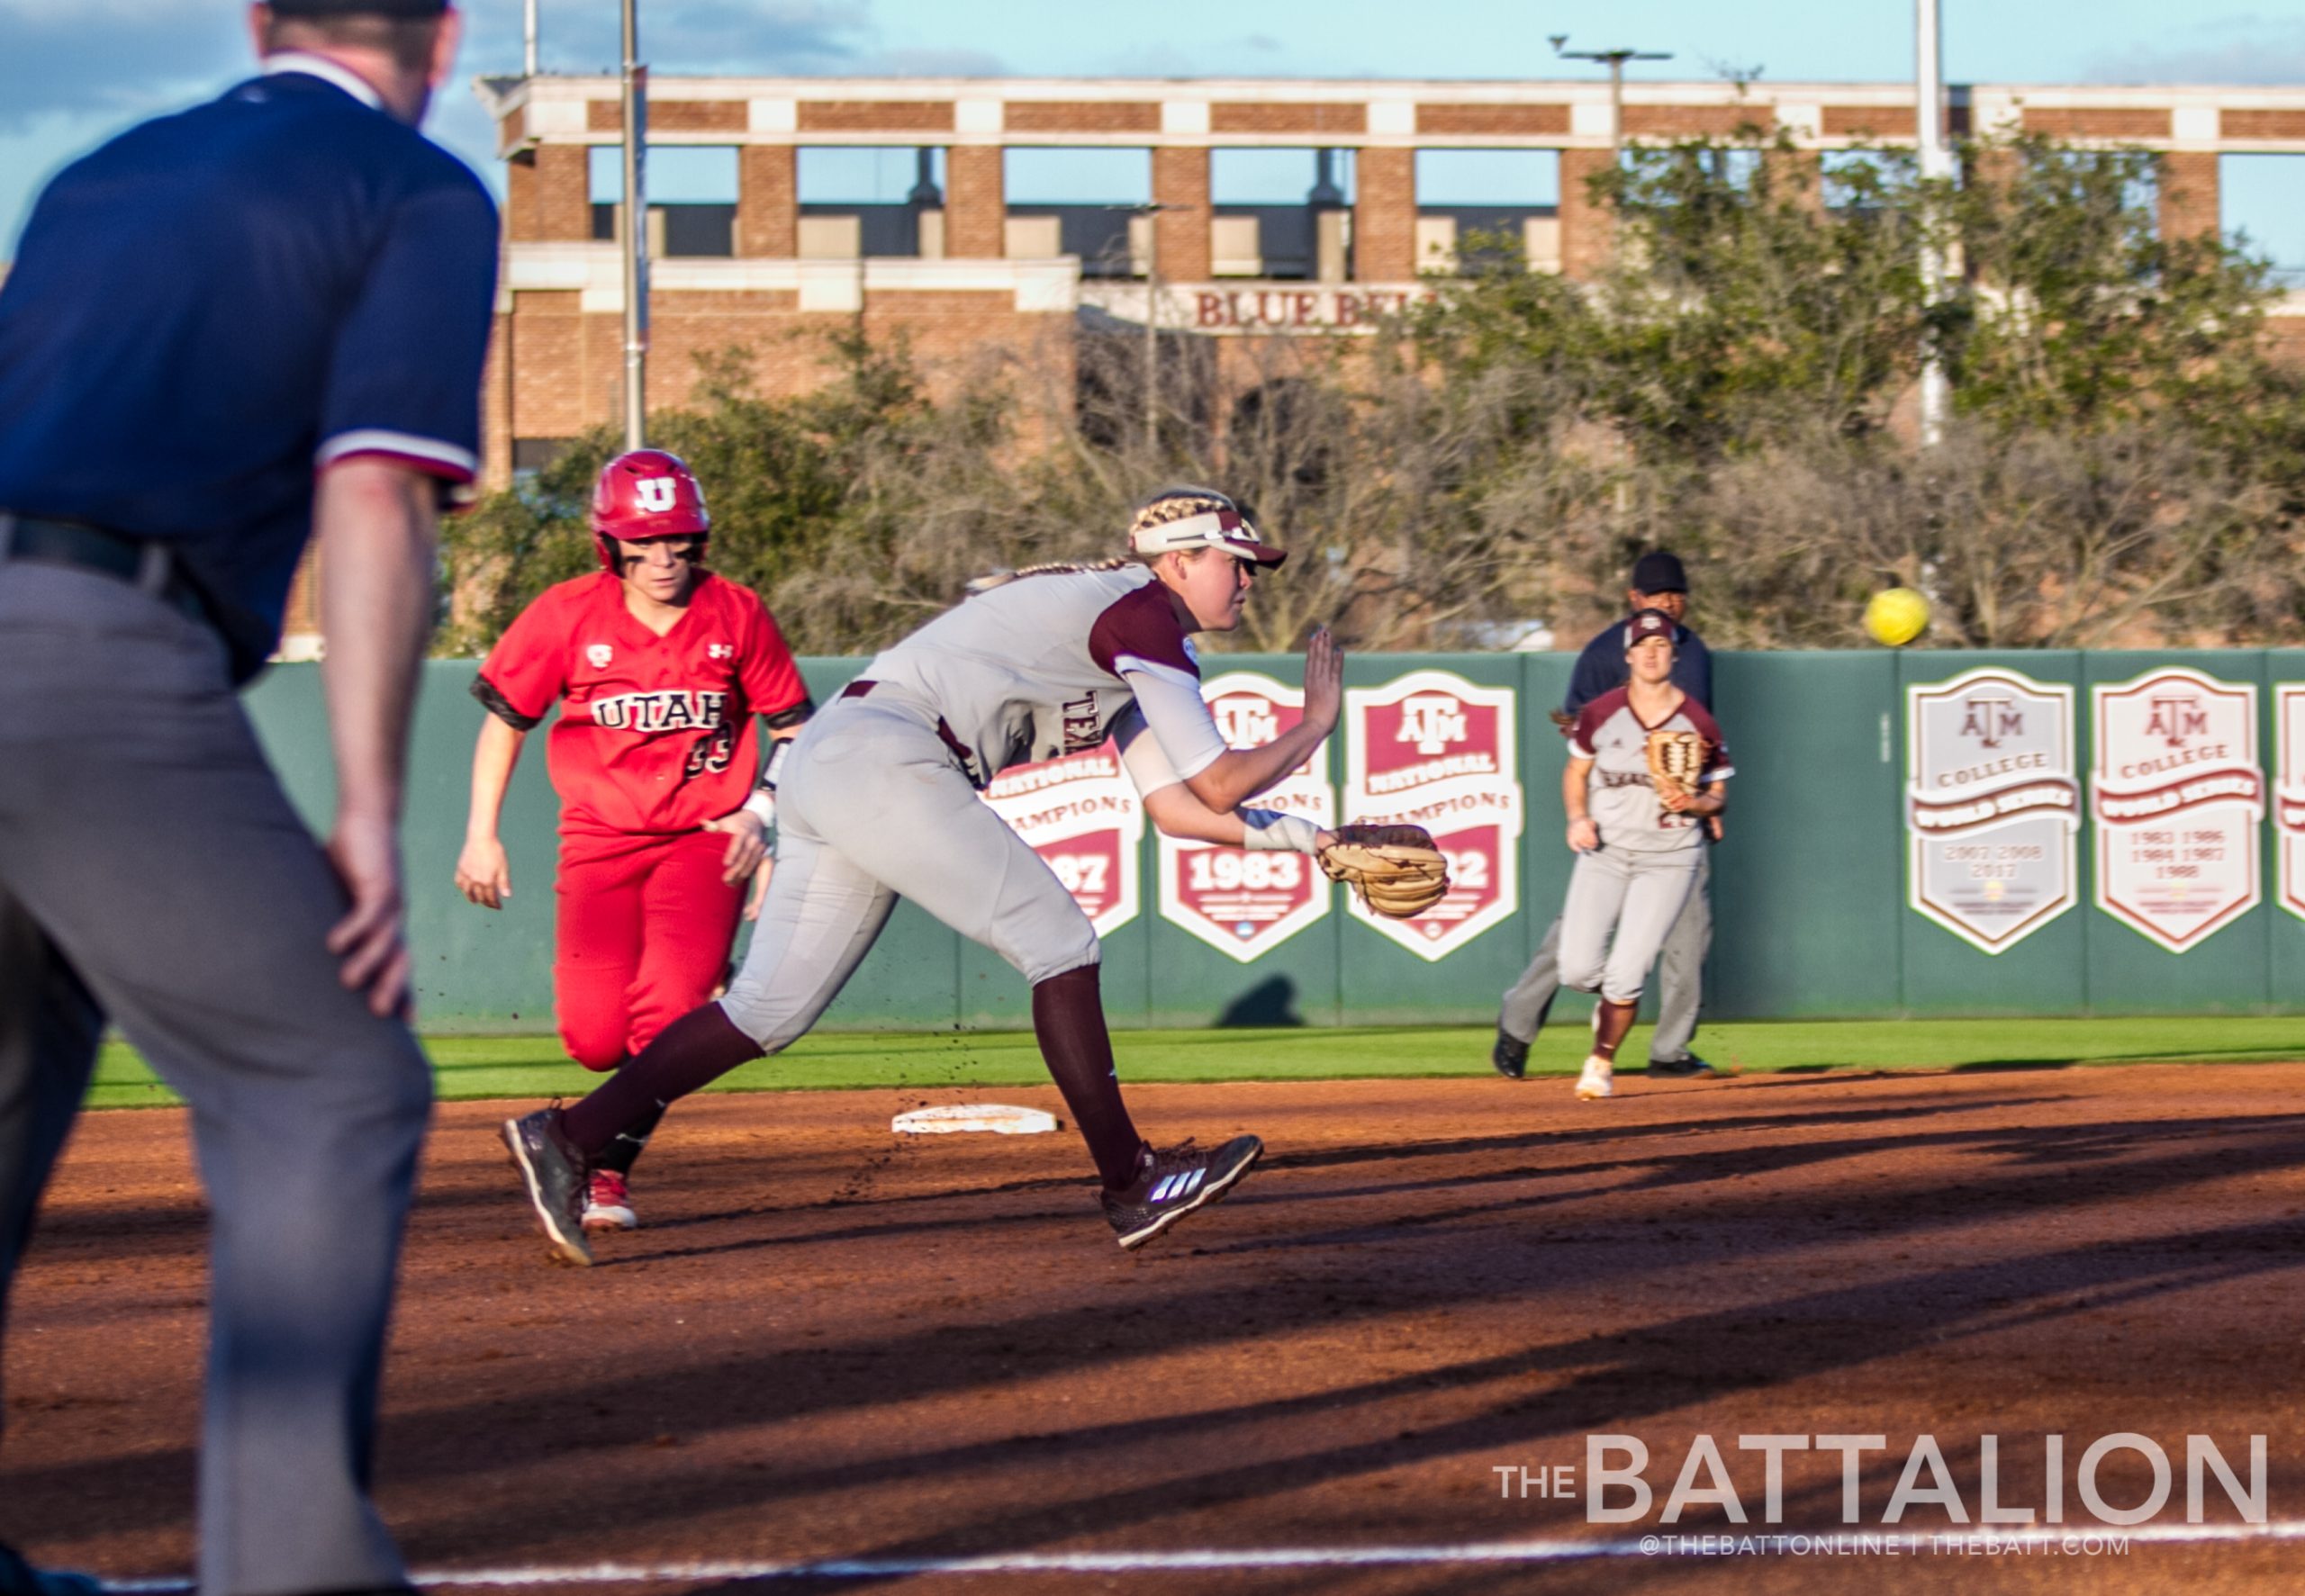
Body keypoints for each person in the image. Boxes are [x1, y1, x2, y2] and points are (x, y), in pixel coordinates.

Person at [0, 4, 494, 1593]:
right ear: (449, 35)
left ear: (259, 21)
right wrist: (369, 807)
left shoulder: (103, 169)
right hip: (90, 647)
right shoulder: (407, 184)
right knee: (328, 1084)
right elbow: (374, 491)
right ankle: (296, 1575)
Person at [502, 487, 1342, 1263]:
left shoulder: (1139, 628)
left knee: (768, 1009)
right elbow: (1220, 781)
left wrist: (1320, 841)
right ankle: (1131, 1183)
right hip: (887, 753)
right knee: (1057, 938)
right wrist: (1312, 729)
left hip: (841, 757)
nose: (1249, 579)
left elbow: (1181, 809)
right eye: (1237, 562)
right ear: (1178, 561)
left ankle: (569, 1137)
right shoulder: (1142, 611)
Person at [456, 449, 814, 1233]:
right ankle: (596, 1121)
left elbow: (795, 728)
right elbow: (504, 722)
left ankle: (602, 1167)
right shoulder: (566, 612)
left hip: (705, 837)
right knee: (592, 1038)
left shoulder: (737, 611)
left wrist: (760, 812)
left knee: (669, 1020)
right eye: (642, 541)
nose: (662, 557)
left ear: (700, 540)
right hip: (599, 837)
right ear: (608, 542)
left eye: (678, 540)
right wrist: (481, 834)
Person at [1494, 549, 1719, 1082]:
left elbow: (1704, 742)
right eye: (1658, 594)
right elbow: (1576, 729)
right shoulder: (1603, 653)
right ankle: (1519, 1022)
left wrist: (1708, 802)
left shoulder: (1697, 653)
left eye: (1677, 593)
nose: (1669, 602)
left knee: (1692, 931)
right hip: (1616, 819)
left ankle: (1671, 1049)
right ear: (1634, 599)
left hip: (1678, 819)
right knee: (1575, 940)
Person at [1555, 610, 1732, 1100]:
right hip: (1606, 850)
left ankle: (1600, 1063)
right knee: (1575, 969)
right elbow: (1576, 772)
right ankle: (1612, 997)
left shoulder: (1698, 719)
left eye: (1662, 646)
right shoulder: (1600, 713)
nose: (1652, 653)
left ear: (1674, 654)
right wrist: (1577, 817)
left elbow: (1719, 793)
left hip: (1670, 856)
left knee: (1628, 970)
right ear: (1628, 655)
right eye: (1643, 645)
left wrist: (1697, 802)